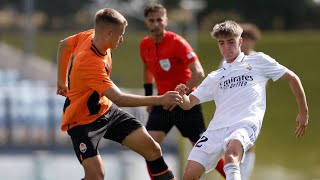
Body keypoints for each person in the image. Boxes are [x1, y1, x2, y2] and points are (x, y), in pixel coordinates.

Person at [56, 8, 183, 180]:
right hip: (82, 121)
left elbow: (63, 45)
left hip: (106, 111)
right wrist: (161, 99)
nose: (122, 39)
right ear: (109, 33)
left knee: (152, 149)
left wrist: (61, 82)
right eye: (120, 34)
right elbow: (119, 99)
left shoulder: (91, 35)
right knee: (96, 175)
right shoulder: (89, 63)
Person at [174, 20, 309, 180]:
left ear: (240, 41)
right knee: (189, 174)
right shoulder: (215, 76)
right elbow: (188, 104)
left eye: (231, 42)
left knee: (231, 156)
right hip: (215, 130)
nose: (226, 47)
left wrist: (303, 112)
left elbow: (292, 78)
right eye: (221, 43)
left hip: (244, 125)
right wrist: (181, 95)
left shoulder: (258, 61)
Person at [139, 3, 225, 179]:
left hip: (186, 102)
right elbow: (148, 70)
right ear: (146, 22)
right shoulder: (145, 44)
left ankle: (234, 176)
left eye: (159, 20)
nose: (156, 24)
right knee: (148, 146)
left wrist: (179, 96)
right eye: (151, 20)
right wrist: (149, 98)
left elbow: (198, 72)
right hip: (162, 102)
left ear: (166, 21)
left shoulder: (178, 42)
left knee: (204, 149)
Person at [219, 23, 261, 180]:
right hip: (230, 110)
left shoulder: (258, 59)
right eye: (246, 39)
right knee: (230, 143)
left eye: (251, 39)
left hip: (250, 110)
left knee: (248, 143)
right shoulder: (228, 60)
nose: (248, 43)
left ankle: (245, 174)